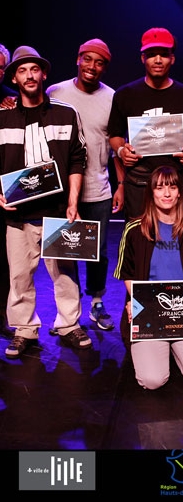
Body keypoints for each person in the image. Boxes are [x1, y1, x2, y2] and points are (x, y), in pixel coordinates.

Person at [0, 46, 91, 358]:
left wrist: (73, 202)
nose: (29, 75)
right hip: (18, 214)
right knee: (19, 277)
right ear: (14, 78)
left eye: (34, 69)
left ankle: (69, 325)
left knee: (65, 275)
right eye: (22, 70)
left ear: (44, 74)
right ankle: (24, 329)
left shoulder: (66, 113)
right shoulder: (2, 117)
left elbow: (78, 159)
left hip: (57, 212)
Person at [46, 38, 125, 331]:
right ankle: (69, 311)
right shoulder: (55, 92)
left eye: (100, 62)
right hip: (61, 191)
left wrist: (121, 184)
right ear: (78, 59)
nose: (92, 66)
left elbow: (116, 145)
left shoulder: (112, 97)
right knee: (64, 252)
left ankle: (97, 301)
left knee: (98, 252)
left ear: (105, 67)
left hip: (98, 188)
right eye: (88, 59)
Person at [113, 164, 183, 390]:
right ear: (151, 193)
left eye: (172, 187)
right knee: (152, 380)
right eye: (159, 188)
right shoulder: (134, 230)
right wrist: (136, 301)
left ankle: (176, 349)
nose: (166, 194)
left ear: (179, 192)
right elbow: (127, 273)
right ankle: (160, 351)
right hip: (149, 314)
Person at [107, 28, 183, 222]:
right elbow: (115, 135)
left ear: (172, 59)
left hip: (177, 181)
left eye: (164, 54)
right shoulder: (125, 94)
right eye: (152, 55)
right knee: (140, 238)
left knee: (178, 237)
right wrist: (121, 151)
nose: (158, 60)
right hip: (139, 182)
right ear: (143, 58)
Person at [0, 43, 17, 338]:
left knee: (3, 262)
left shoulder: (10, 99)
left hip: (3, 193)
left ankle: (1, 317)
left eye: (0, 66)